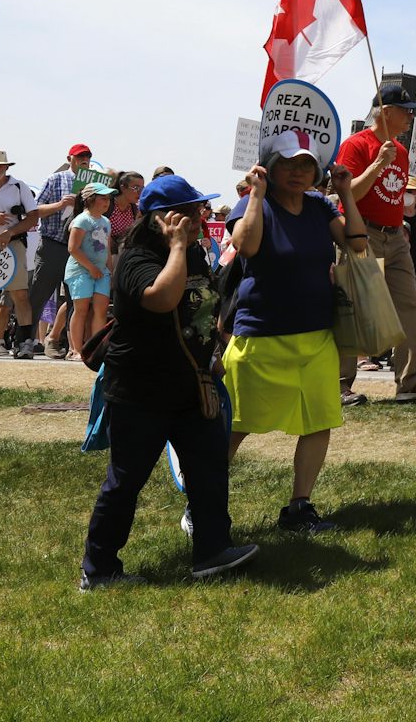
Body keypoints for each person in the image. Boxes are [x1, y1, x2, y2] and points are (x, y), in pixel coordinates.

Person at [80, 173, 257, 588]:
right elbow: (162, 299)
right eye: (191, 211)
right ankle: (99, 569)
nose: (199, 216)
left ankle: (212, 551)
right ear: (162, 219)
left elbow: (202, 304)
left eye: (200, 209)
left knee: (209, 469)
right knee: (126, 481)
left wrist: (212, 353)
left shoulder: (193, 254)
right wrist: (177, 247)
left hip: (191, 384)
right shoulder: (137, 259)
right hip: (141, 388)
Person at [226, 132, 363, 532]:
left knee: (318, 422)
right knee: (236, 424)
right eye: (289, 163)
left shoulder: (320, 207)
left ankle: (299, 507)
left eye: (306, 164)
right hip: (261, 334)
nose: (299, 172)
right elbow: (246, 247)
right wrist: (255, 195)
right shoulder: (255, 203)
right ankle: (204, 500)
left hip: (316, 336)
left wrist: (346, 194)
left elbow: (355, 244)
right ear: (270, 165)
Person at [334, 82, 416, 405]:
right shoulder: (356, 145)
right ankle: (340, 385)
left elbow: (395, 196)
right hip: (361, 233)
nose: (411, 116)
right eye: (406, 111)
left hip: (395, 235)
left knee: (408, 304)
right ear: (386, 111)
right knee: (354, 308)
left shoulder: (403, 151)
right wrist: (378, 164)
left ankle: (411, 382)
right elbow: (348, 194)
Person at [0, 151, 75, 359]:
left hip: (13, 244)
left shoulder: (19, 187)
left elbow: (33, 217)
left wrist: (10, 232)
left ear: (7, 167)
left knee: (20, 295)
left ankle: (25, 342)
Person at [31, 144, 94, 356]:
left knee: (75, 298)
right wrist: (59, 205)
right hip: (52, 244)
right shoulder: (55, 179)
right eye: (80, 156)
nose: (84, 159)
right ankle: (26, 341)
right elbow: (35, 211)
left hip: (76, 250)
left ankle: (69, 347)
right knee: (39, 295)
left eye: (87, 156)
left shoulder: (92, 185)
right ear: (70, 158)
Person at [63, 182, 119, 353]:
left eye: (108, 199)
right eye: (103, 198)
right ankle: (77, 351)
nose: (107, 202)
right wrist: (91, 267)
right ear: (90, 199)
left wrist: (109, 271)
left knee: (101, 310)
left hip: (101, 272)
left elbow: (107, 249)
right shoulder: (81, 220)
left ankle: (96, 351)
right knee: (81, 309)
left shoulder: (106, 222)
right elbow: (73, 248)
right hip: (80, 271)